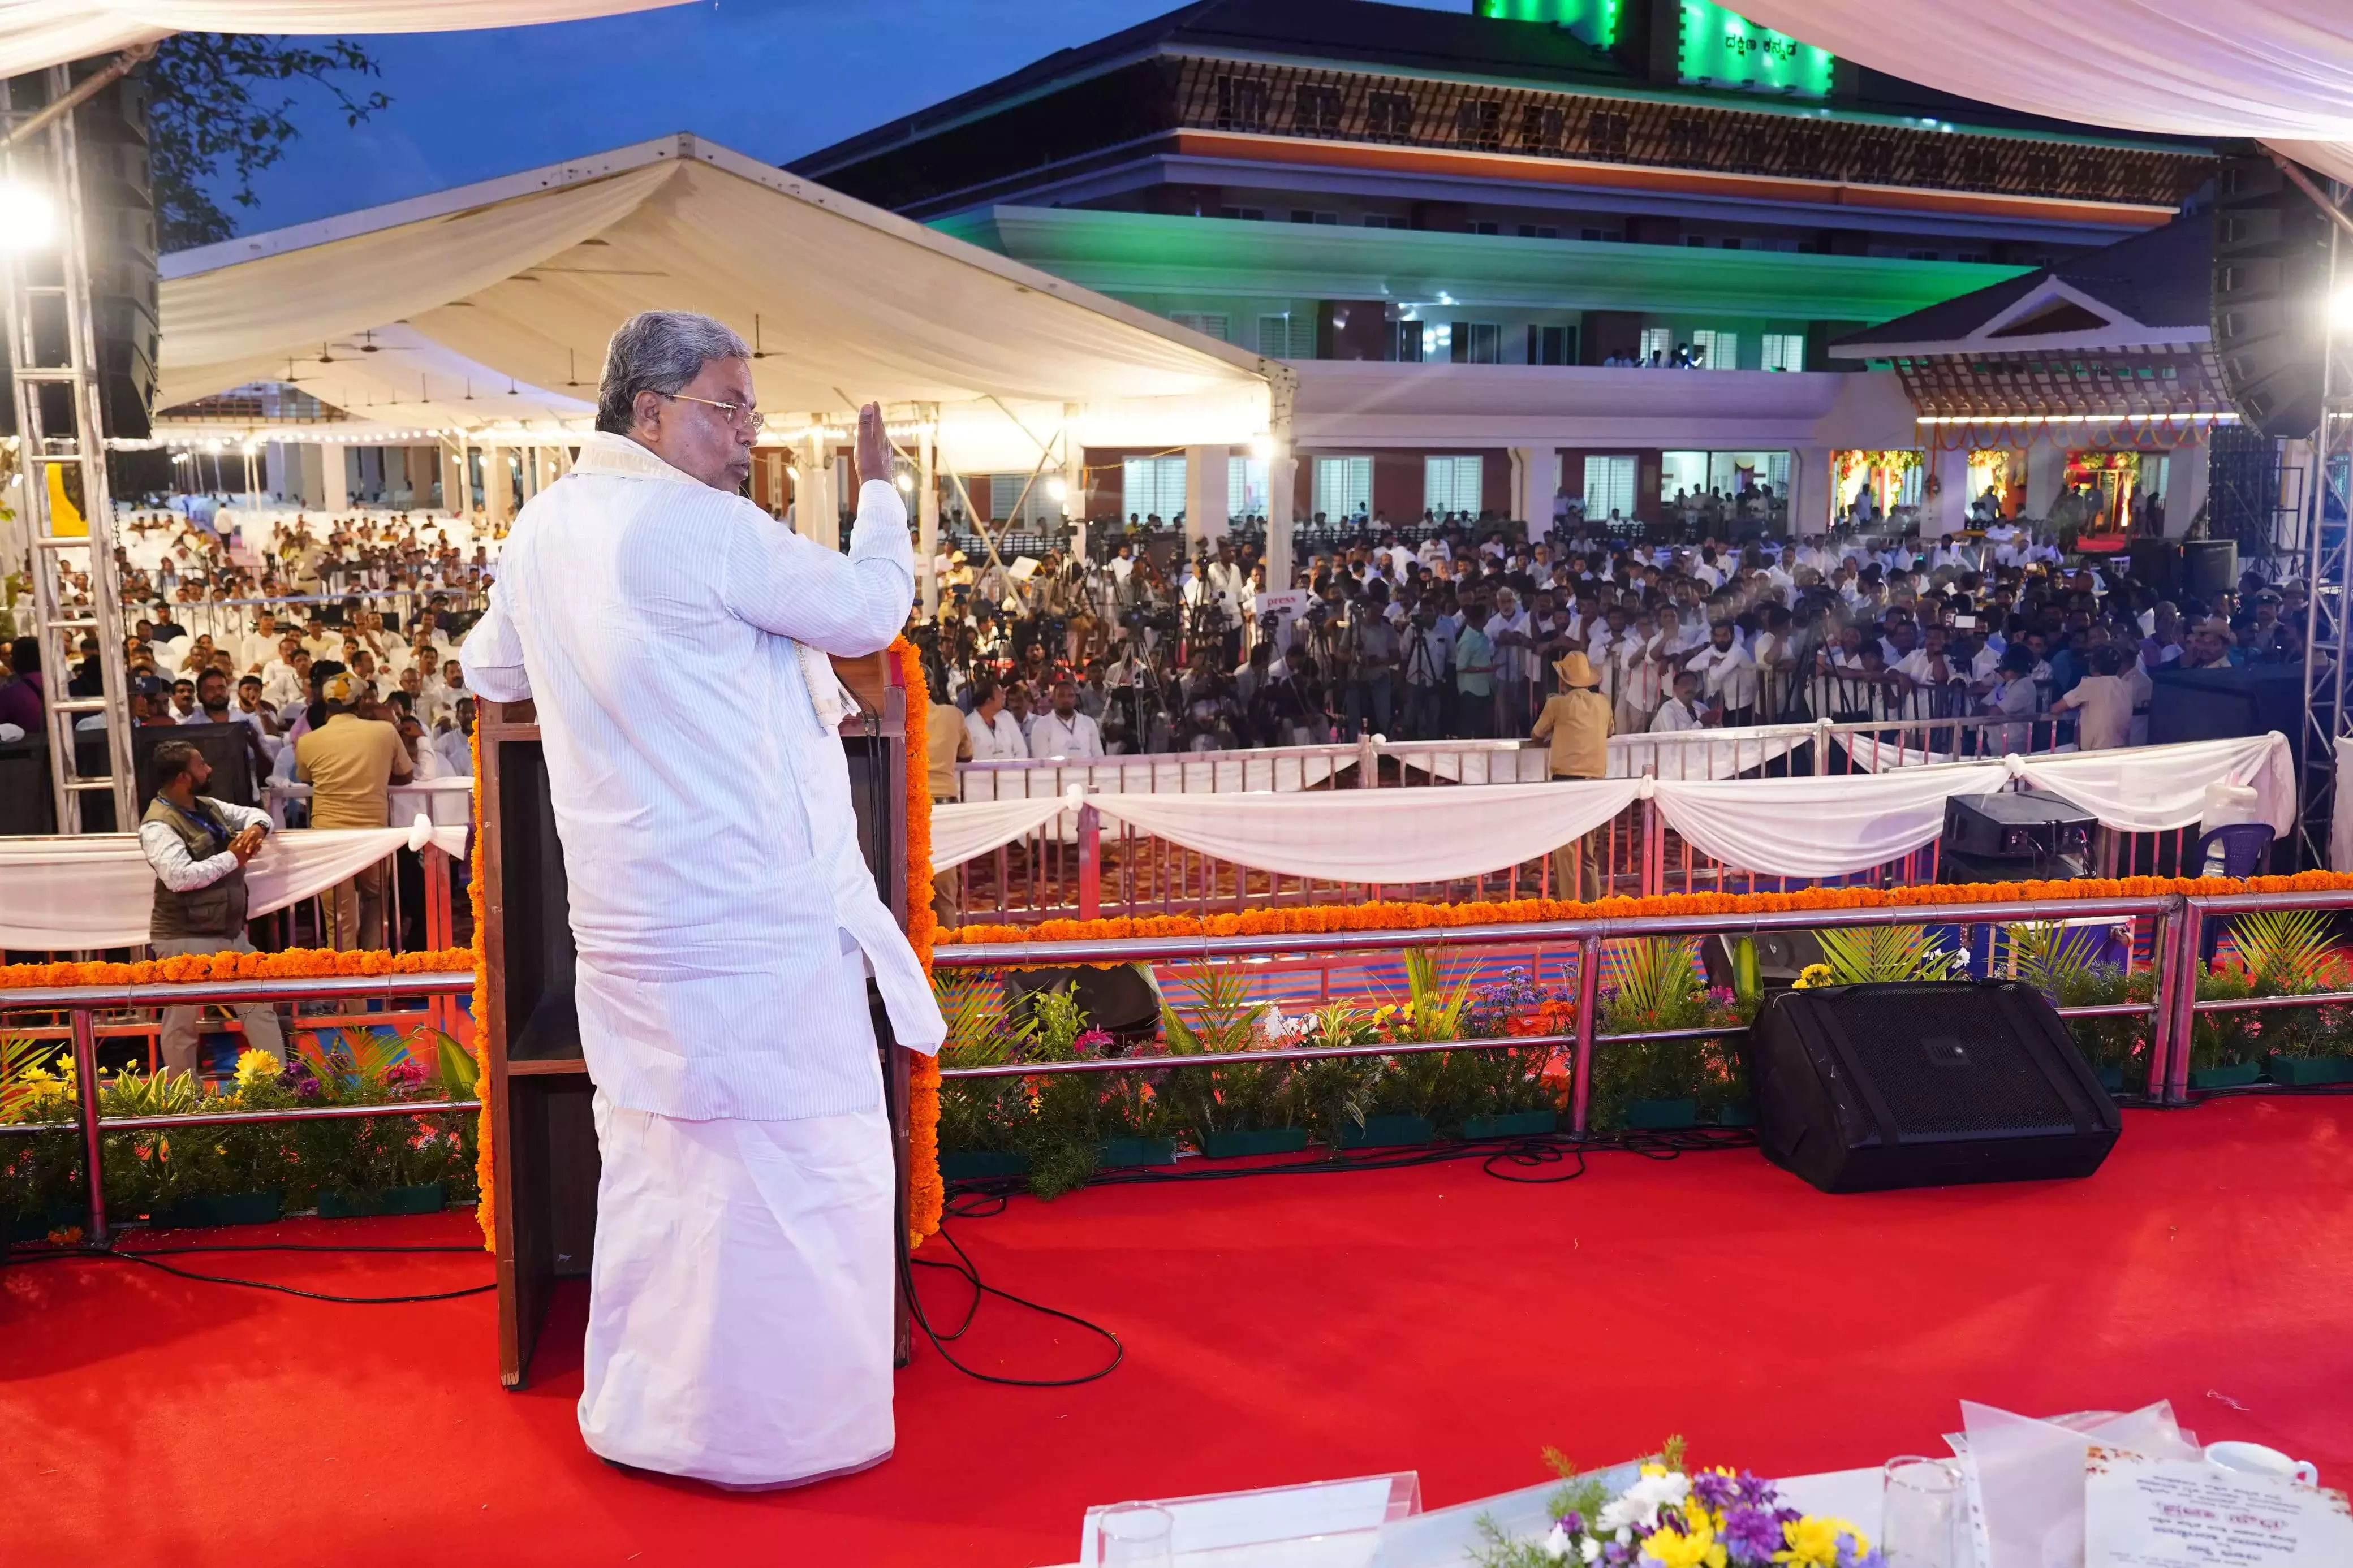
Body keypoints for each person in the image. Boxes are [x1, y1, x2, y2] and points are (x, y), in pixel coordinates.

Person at [459, 310, 942, 1491]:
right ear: (650, 411)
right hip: (753, 923)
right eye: (728, 409)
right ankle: (781, 1434)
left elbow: (491, 669)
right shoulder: (707, 530)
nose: (747, 435)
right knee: (795, 1170)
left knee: (664, 1168)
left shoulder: (543, 525)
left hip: (628, 926)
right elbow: (869, 612)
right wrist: (879, 493)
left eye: (750, 413)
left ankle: (654, 1417)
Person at [138, 740, 285, 1075]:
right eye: (201, 765)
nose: (209, 769)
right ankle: (182, 1097)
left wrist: (257, 828)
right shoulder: (157, 826)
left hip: (230, 933)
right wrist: (234, 857)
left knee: (259, 1006)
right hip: (184, 936)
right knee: (182, 1021)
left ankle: (277, 1086)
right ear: (183, 777)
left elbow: (255, 813)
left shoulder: (206, 805)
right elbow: (180, 878)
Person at [294, 670, 411, 949]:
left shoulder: (307, 741)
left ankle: (347, 978)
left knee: (339, 918)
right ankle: (373, 971)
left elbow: (307, 779)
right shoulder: (385, 732)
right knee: (375, 905)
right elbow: (406, 775)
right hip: (374, 836)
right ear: (360, 703)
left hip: (328, 838)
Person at [1529, 651, 1613, 900]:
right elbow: (1610, 732)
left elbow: (1536, 735)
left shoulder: (1557, 704)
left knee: (1566, 849)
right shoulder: (1603, 703)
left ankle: (1570, 905)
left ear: (1562, 681)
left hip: (1566, 783)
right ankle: (1592, 903)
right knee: (1588, 850)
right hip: (1596, 783)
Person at [2050, 643, 2132, 751]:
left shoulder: (2090, 684)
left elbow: (2057, 708)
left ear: (2093, 666)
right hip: (2121, 748)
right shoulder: (2125, 686)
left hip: (2096, 750)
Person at [1028, 676, 1104, 760]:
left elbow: (1099, 757)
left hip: (1086, 768)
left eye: (1071, 696)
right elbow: (1041, 761)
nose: (1066, 700)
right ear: (1053, 698)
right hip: (1056, 768)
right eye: (1061, 696)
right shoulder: (1041, 725)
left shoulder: (1089, 723)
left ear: (1075, 698)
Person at [964, 676, 1025, 761]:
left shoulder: (1007, 717)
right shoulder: (968, 726)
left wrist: (1015, 768)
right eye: (1000, 694)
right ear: (989, 700)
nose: (1004, 697)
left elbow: (1022, 750)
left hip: (1012, 768)